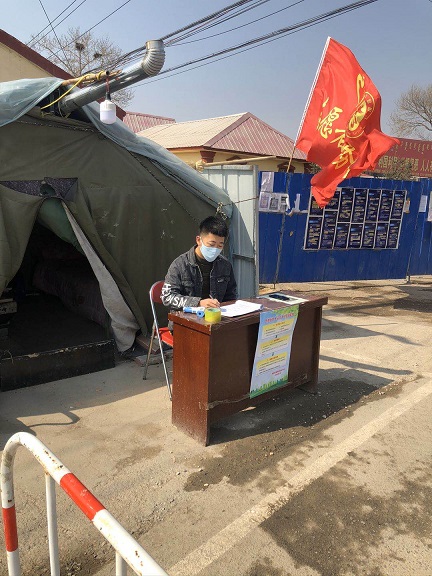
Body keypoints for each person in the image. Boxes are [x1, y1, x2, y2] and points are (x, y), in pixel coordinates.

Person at [161, 216, 237, 314]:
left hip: (216, 317)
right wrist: (198, 303)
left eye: (220, 245)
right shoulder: (180, 265)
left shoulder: (225, 265)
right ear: (198, 240)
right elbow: (167, 297)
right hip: (186, 319)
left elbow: (231, 296)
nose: (215, 249)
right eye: (211, 244)